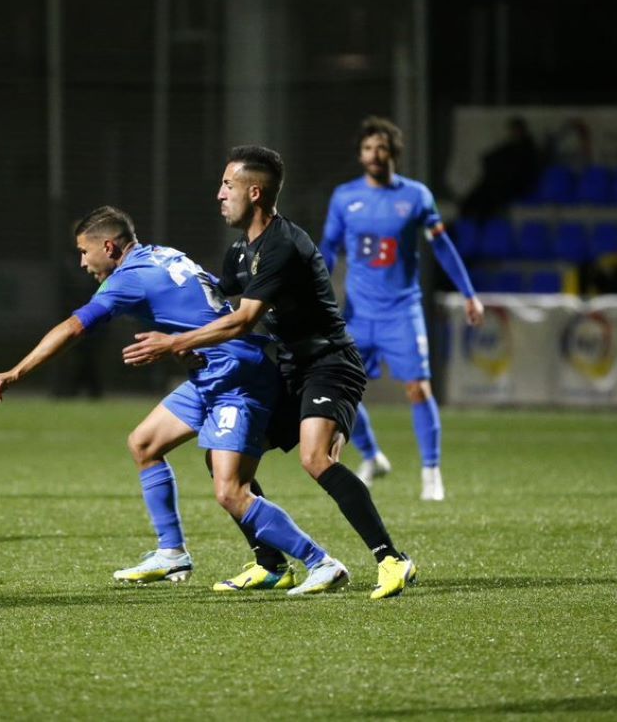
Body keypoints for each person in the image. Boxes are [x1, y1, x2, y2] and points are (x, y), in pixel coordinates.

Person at [0, 206, 352, 595]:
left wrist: (15, 373)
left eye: (85, 252)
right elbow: (204, 302)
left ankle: (321, 562)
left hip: (236, 378)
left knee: (230, 491)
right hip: (210, 372)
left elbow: (73, 328)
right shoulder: (163, 254)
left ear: (109, 246)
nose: (82, 262)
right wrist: (186, 349)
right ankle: (172, 553)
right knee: (145, 443)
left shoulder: (127, 279)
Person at [123, 146, 416, 600]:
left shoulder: (283, 245)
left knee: (316, 459)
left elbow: (242, 321)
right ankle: (271, 564)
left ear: (254, 192)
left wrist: (173, 343)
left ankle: (391, 559)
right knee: (223, 461)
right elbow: (213, 304)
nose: (220, 194)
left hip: (329, 363)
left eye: (228, 185)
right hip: (289, 369)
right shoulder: (239, 253)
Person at [319, 117, 484, 501]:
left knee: (418, 389)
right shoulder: (344, 197)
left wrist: (469, 293)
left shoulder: (416, 196)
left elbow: (442, 246)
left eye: (381, 147)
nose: (375, 154)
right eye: (368, 148)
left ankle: (431, 473)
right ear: (360, 155)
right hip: (358, 315)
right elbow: (327, 251)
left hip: (402, 312)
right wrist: (314, 295)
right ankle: (372, 456)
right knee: (339, 391)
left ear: (394, 152)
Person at [458, 116, 540, 221]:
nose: (514, 133)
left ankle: (481, 219)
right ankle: (465, 217)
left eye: (516, 130)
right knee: (479, 192)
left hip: (513, 186)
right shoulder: (510, 146)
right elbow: (490, 157)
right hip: (496, 182)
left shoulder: (529, 149)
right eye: (513, 130)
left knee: (492, 195)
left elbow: (525, 171)